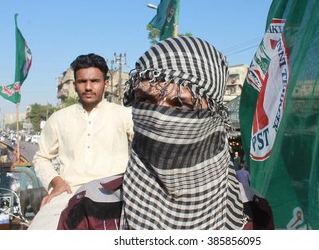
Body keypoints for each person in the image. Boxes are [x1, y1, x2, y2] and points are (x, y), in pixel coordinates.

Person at [57, 36, 251, 230]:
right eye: (146, 100)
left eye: (180, 104)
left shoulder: (251, 213)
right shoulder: (88, 211)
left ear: (215, 115)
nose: (159, 117)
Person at [28, 53, 133, 230]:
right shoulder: (59, 118)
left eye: (95, 81)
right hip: (69, 194)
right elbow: (42, 158)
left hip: (115, 195)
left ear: (106, 83)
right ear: (75, 85)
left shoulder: (124, 115)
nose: (88, 87)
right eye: (82, 82)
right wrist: (56, 182)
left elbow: (147, 150)